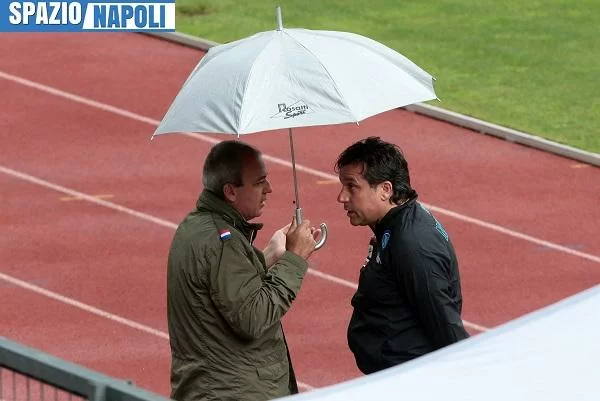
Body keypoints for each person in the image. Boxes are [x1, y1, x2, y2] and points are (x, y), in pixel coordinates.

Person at [166, 140, 318, 401]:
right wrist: (294, 259)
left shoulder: (195, 226)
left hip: (212, 386)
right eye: (259, 182)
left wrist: (267, 257)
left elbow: (221, 287)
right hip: (232, 391)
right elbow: (253, 318)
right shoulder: (223, 242)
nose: (269, 189)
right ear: (230, 192)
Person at [335, 136, 469, 374]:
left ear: (385, 190)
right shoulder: (394, 226)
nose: (342, 197)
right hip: (396, 373)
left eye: (352, 186)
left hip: (409, 378)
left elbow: (445, 325)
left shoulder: (412, 244)